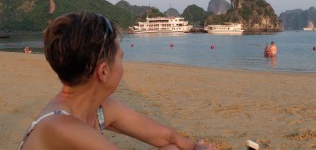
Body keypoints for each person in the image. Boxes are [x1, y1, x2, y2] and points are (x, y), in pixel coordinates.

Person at [19, 12, 215, 150]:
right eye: (121, 57)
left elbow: (166, 137)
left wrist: (197, 148)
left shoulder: (99, 109)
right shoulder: (61, 126)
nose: (123, 65)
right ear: (103, 71)